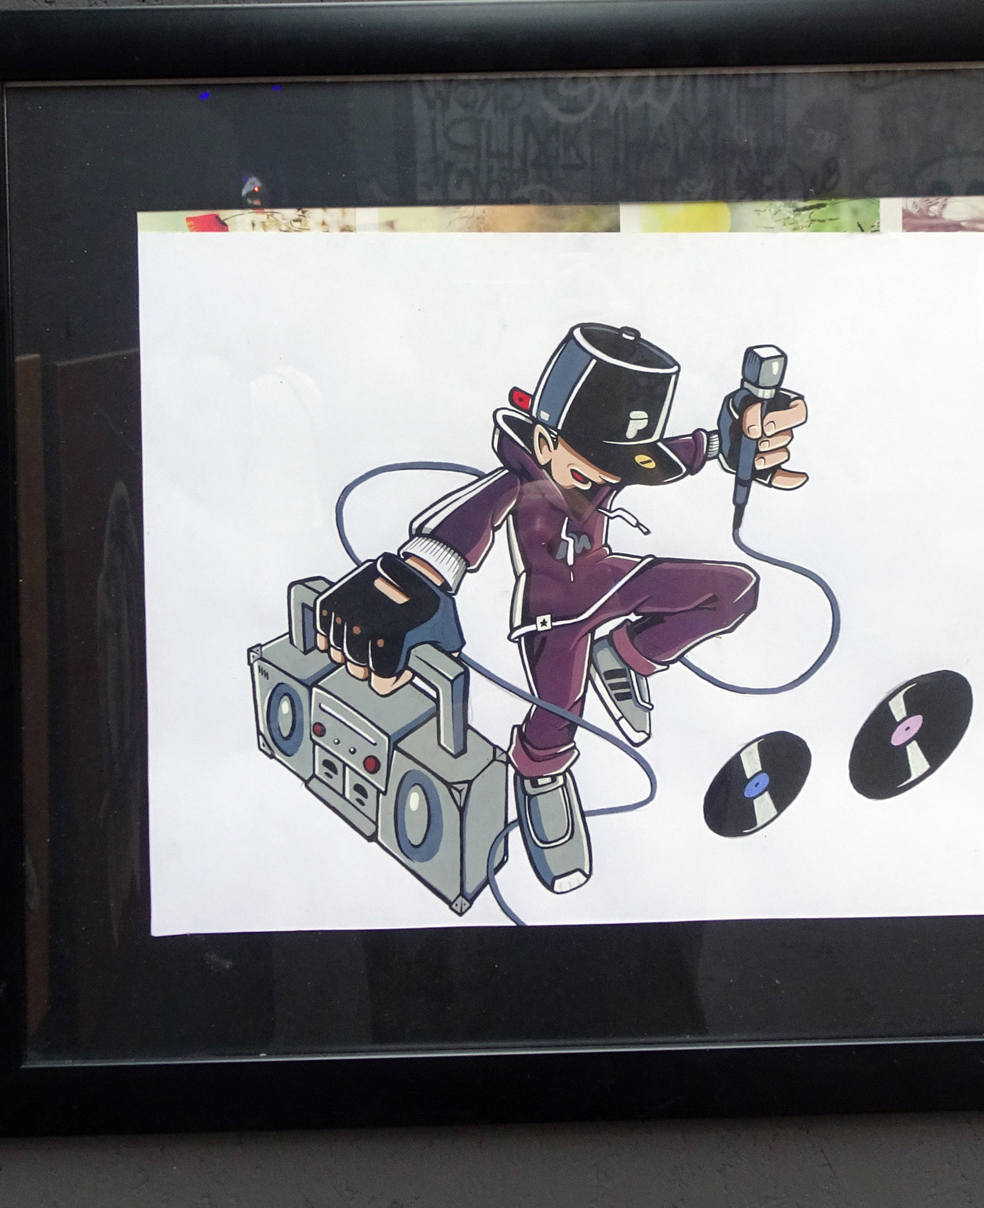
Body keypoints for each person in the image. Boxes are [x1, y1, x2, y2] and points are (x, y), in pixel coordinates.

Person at [314, 323, 810, 893]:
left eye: (614, 467)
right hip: (555, 618)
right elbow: (454, 533)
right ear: (544, 441)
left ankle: (624, 655)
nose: (600, 478)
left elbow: (679, 454)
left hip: (611, 579)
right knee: (558, 719)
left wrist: (734, 439)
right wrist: (402, 587)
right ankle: (541, 779)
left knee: (735, 590)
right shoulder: (518, 480)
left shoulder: (607, 466)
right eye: (589, 462)